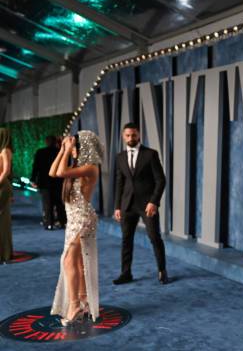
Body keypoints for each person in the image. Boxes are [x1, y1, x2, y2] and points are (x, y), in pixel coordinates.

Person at [49, 131, 103, 326]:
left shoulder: (90, 168)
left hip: (83, 220)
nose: (71, 151)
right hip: (74, 220)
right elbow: (53, 172)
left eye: (74, 147)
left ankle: (74, 306)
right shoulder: (79, 166)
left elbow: (61, 172)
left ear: (82, 148)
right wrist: (64, 149)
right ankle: (83, 301)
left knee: (67, 260)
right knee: (77, 262)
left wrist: (67, 149)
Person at [113, 122, 168, 285]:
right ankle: (126, 273)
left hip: (147, 205)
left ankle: (162, 271)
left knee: (154, 237)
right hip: (127, 205)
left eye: (134, 135)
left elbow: (161, 180)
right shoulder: (120, 157)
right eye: (128, 135)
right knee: (126, 239)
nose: (131, 138)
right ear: (123, 136)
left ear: (139, 135)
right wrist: (117, 206)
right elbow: (119, 183)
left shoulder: (150, 154)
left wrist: (154, 202)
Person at [31, 135, 66, 230]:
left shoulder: (40, 152)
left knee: (47, 203)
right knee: (59, 203)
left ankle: (49, 223)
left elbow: (36, 167)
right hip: (58, 181)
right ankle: (62, 222)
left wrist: (33, 179)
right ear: (55, 142)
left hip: (44, 182)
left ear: (46, 142)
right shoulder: (59, 152)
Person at [0, 128, 13, 264]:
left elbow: (6, 170)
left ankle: (4, 253)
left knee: (2, 220)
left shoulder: (5, 151)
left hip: (2, 187)